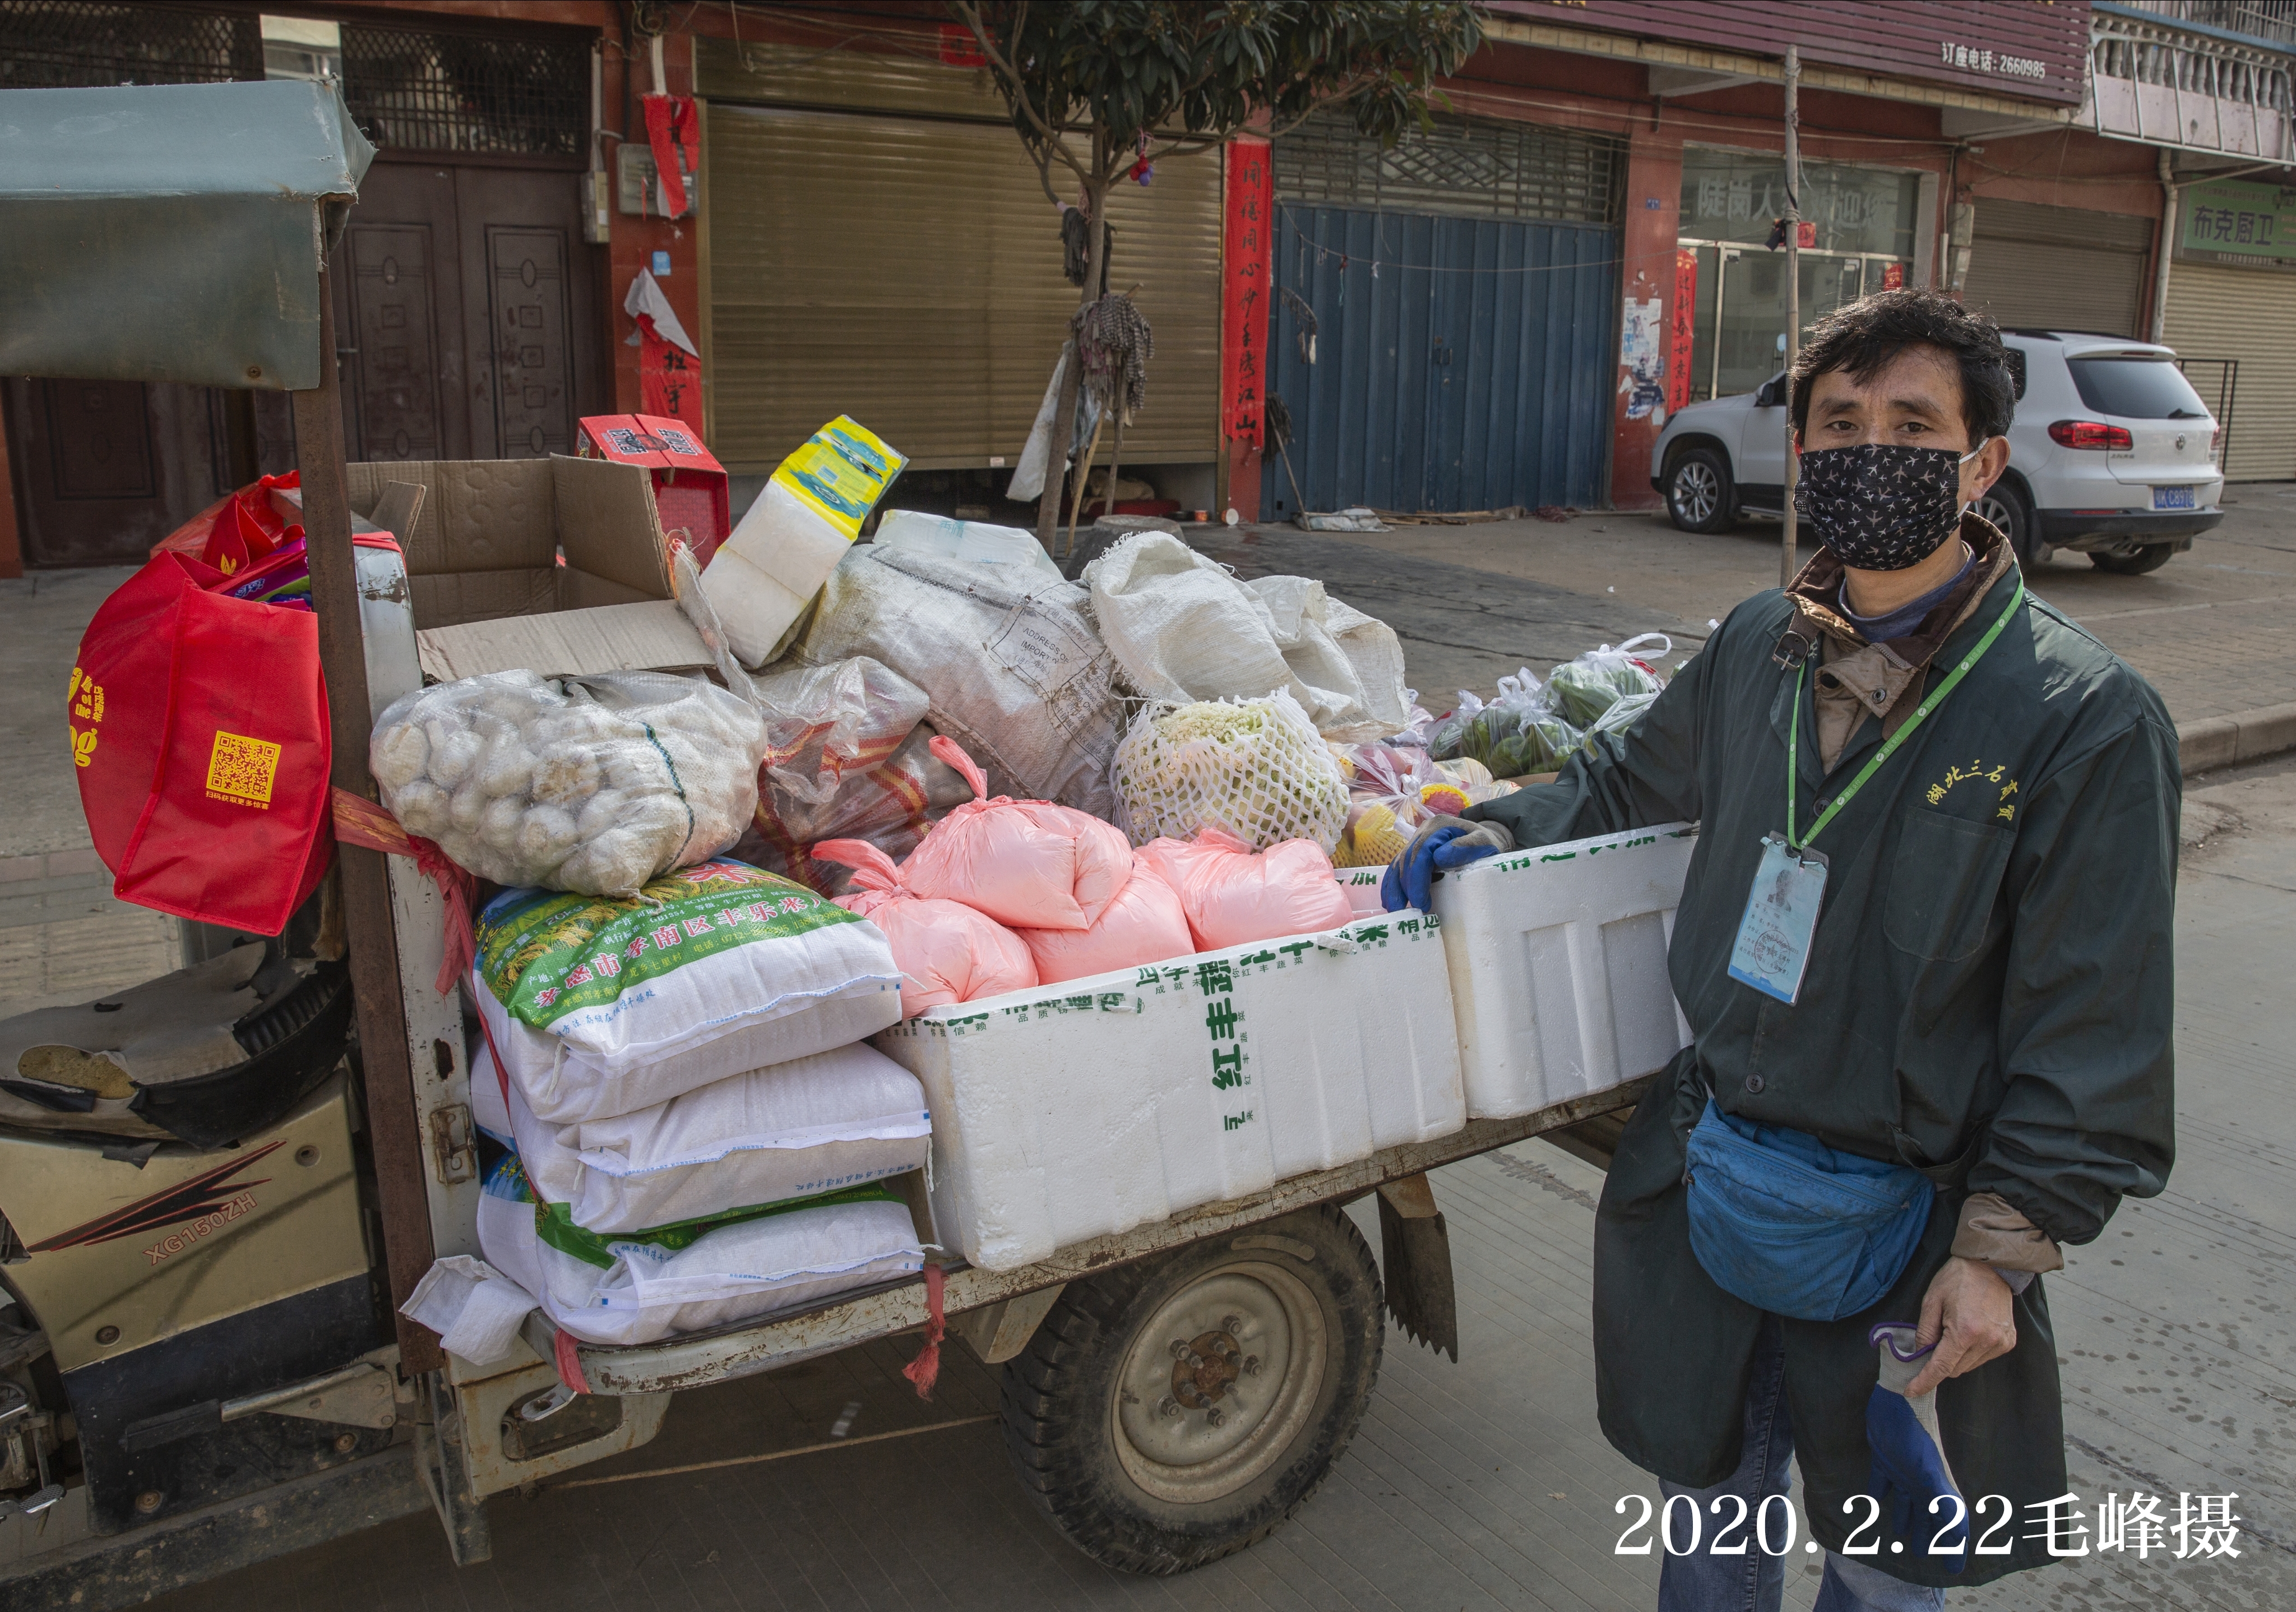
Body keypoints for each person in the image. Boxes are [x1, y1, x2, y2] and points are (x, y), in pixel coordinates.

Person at [1400, 289, 2178, 1609]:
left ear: (1980, 462)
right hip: (1714, 1173)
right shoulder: (1760, 645)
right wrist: (1490, 827)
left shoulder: (2078, 717)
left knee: (1881, 1566)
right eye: (1841, 426)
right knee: (1710, 1520)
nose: (1872, 453)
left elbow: (2092, 1022)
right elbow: (1627, 774)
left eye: (1912, 427)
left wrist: (1996, 1253)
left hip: (1907, 1226)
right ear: (1804, 455)